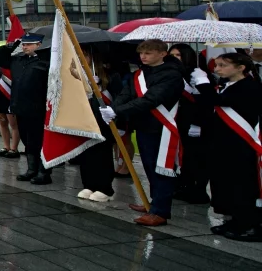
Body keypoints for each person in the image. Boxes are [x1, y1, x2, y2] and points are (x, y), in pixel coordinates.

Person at [105, 39, 185, 226]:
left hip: (162, 127)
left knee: (162, 169)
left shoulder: (171, 75)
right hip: (143, 125)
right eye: (141, 53)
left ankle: (160, 211)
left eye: (148, 53)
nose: (143, 57)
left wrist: (118, 111)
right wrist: (114, 107)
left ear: (162, 54)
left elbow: (151, 99)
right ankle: (153, 203)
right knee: (149, 166)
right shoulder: (139, 74)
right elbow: (126, 93)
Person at [199, 52, 261, 241]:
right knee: (226, 183)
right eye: (216, 65)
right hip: (223, 143)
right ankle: (234, 220)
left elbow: (220, 101)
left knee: (242, 184)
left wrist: (202, 83)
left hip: (241, 143)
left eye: (223, 65)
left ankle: (250, 224)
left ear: (241, 67)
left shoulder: (249, 86)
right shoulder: (226, 85)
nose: (217, 69)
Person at [0, 33, 50, 184]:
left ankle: (44, 172)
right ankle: (32, 169)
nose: (25, 47)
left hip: (38, 108)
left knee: (39, 140)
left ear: (39, 45)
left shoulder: (45, 61)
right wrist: (9, 47)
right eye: (24, 44)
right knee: (27, 140)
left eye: (29, 44)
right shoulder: (18, 60)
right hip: (20, 106)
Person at [168, 44, 212, 205]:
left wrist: (197, 123)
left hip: (196, 123)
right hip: (178, 121)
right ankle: (183, 185)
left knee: (197, 157)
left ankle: (199, 190)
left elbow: (206, 101)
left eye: (178, 55)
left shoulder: (197, 73)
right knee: (180, 156)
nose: (174, 58)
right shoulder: (172, 73)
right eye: (171, 54)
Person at [75, 52, 118, 202]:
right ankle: (89, 184)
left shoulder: (109, 75)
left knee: (102, 154)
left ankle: (105, 188)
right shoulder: (75, 74)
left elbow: (117, 98)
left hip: (103, 121)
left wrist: (98, 87)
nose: (81, 58)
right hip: (83, 120)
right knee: (86, 153)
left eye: (84, 55)